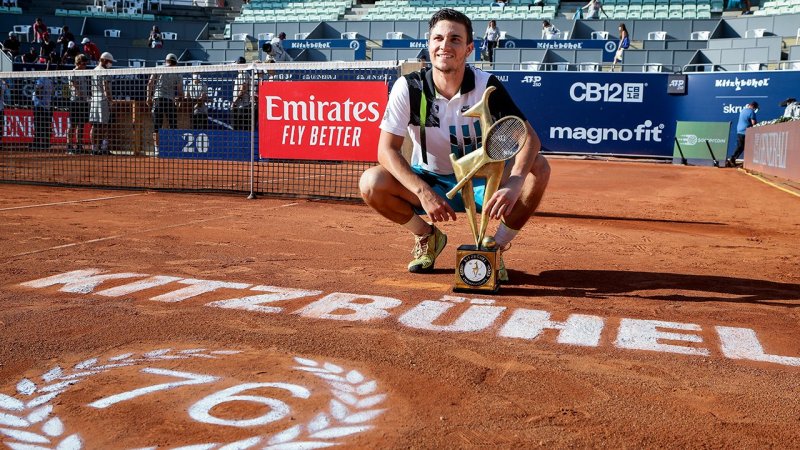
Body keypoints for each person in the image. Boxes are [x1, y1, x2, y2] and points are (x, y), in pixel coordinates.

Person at [359, 8, 550, 279]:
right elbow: (385, 150)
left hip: (482, 182)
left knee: (539, 167)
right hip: (430, 180)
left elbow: (530, 138)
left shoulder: (487, 86)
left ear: (469, 48)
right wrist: (424, 192)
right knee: (371, 182)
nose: (444, 46)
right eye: (438, 39)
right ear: (429, 44)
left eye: (455, 39)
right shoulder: (409, 87)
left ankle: (494, 246)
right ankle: (428, 236)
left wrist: (515, 182)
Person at [146, 53, 184, 152]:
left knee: (157, 126)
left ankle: (157, 149)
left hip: (158, 99)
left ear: (165, 61)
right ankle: (173, 149)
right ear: (175, 62)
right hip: (169, 101)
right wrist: (180, 101)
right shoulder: (178, 73)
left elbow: (150, 83)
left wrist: (148, 97)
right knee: (173, 125)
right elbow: (180, 92)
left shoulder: (158, 68)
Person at [90, 52, 115, 155]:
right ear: (104, 60)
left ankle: (94, 149)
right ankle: (104, 148)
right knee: (104, 126)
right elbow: (106, 89)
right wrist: (110, 101)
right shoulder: (105, 72)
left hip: (94, 100)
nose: (111, 64)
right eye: (110, 62)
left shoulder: (94, 70)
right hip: (103, 101)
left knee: (95, 126)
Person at [68, 54, 91, 155]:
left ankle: (79, 145)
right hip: (75, 102)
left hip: (83, 103)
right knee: (73, 125)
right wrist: (83, 96)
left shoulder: (84, 73)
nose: (85, 65)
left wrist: (87, 98)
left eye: (86, 63)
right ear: (78, 63)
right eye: (83, 63)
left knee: (81, 125)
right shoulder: (73, 73)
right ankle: (69, 146)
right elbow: (74, 86)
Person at [32, 61, 55, 151]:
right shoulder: (48, 80)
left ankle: (38, 143)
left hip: (40, 106)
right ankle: (44, 143)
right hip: (45, 106)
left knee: (39, 125)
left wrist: (39, 96)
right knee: (44, 125)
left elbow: (38, 89)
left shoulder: (43, 79)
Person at [727, 101, 758, 167]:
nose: (755, 109)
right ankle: (734, 158)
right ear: (753, 106)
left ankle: (733, 159)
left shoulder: (743, 110)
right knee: (743, 147)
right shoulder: (752, 112)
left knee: (740, 146)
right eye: (755, 108)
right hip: (746, 132)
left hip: (739, 131)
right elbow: (753, 123)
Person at [232, 56, 251, 131]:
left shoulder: (243, 74)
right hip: (241, 106)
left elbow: (243, 89)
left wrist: (234, 102)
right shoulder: (243, 74)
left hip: (242, 106)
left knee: (239, 128)